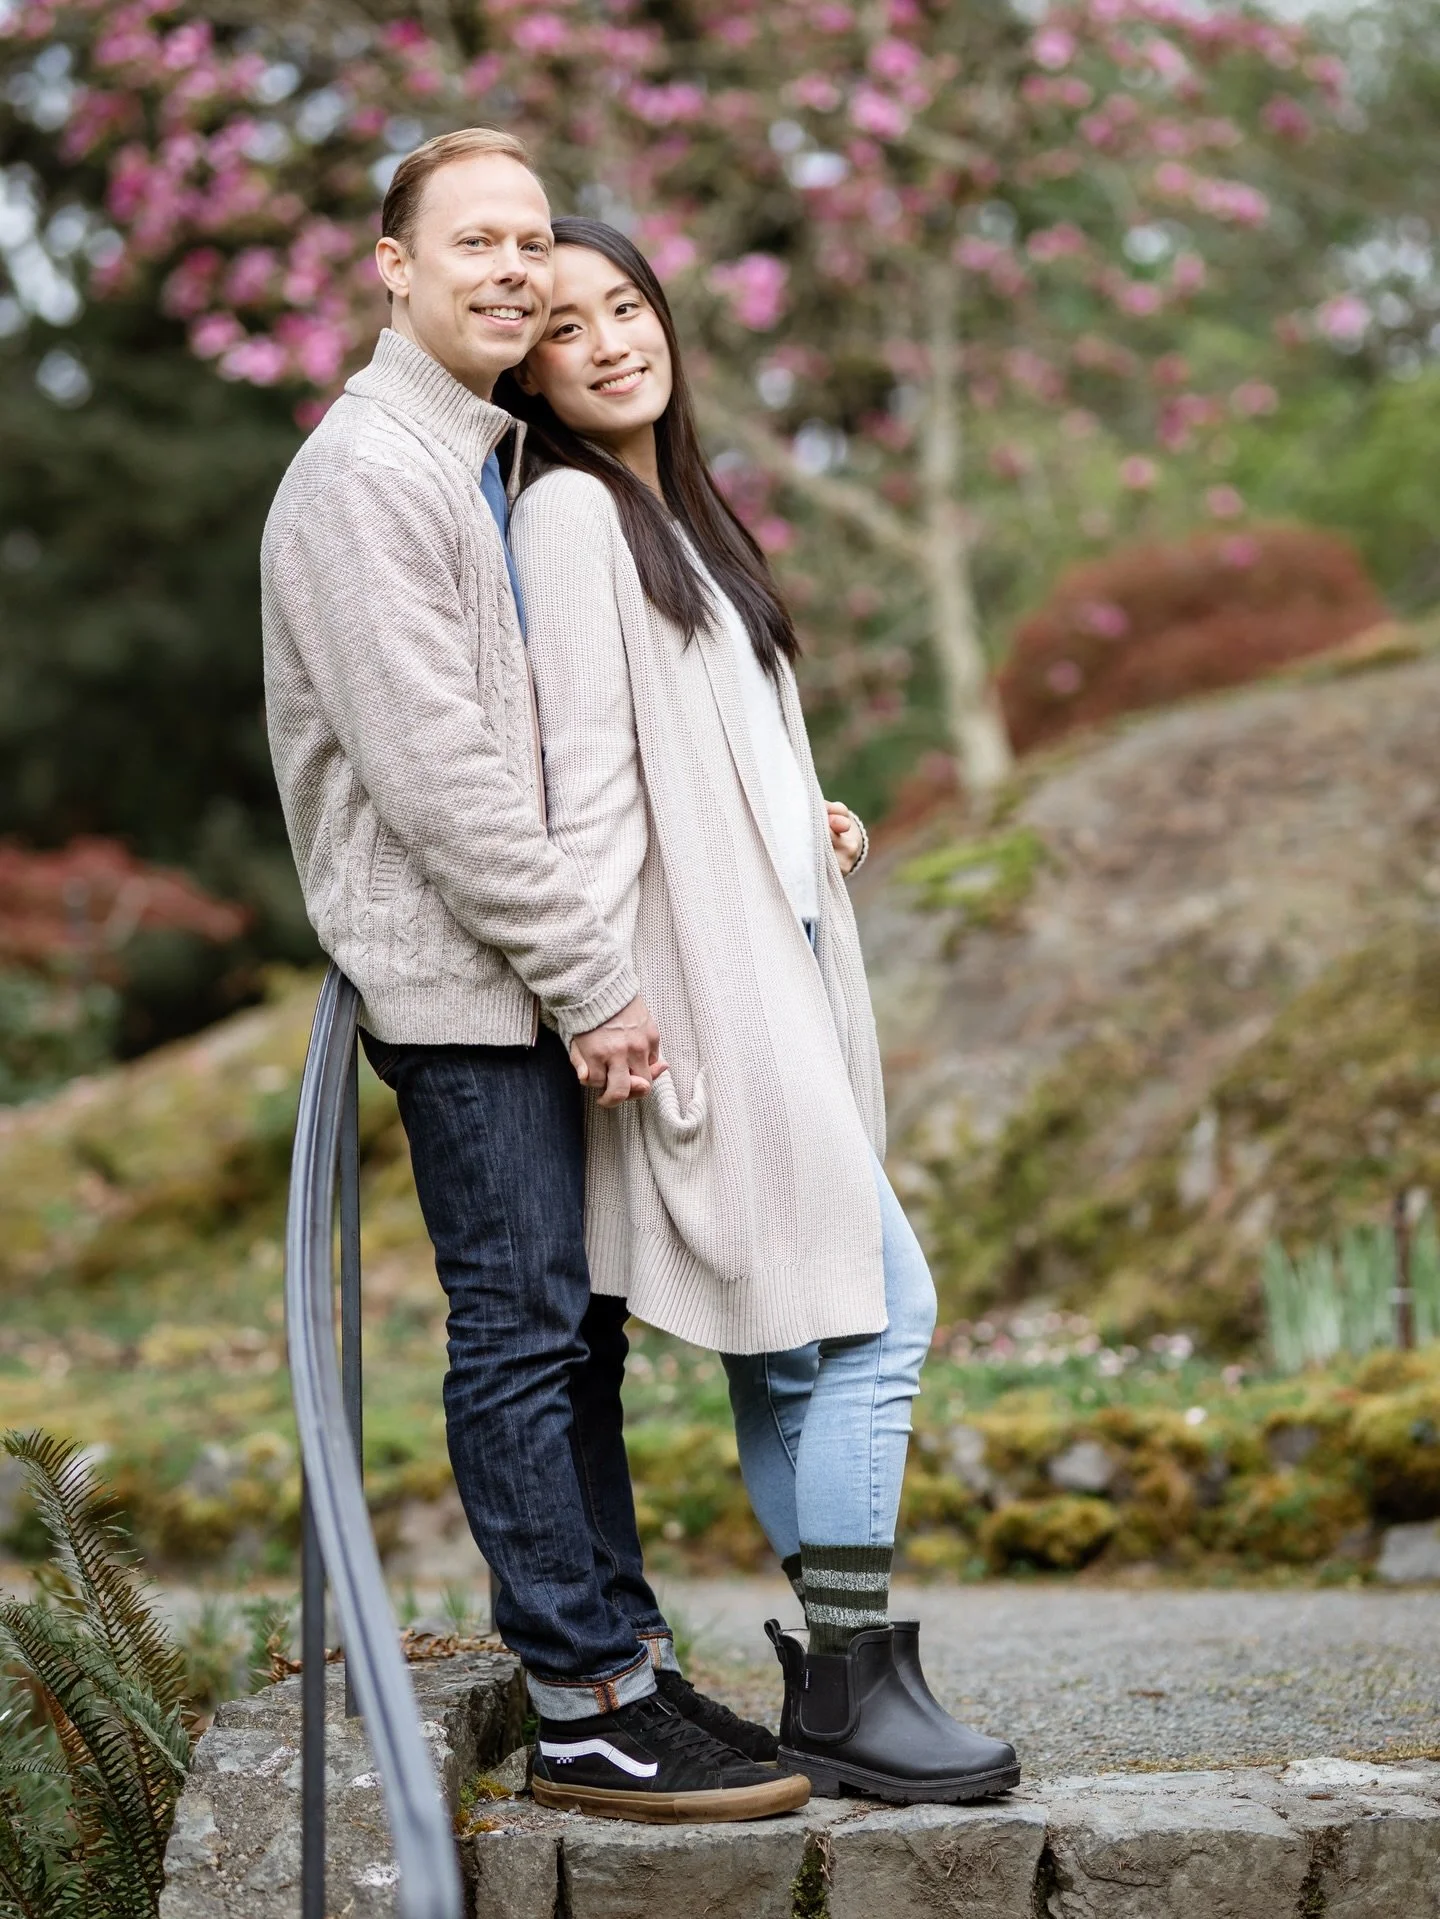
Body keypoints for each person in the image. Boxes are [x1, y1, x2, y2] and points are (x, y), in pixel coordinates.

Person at [260, 128, 809, 1825]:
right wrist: (591, 974)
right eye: (475, 242)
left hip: (531, 984)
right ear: (392, 265)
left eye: (526, 242)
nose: (510, 268)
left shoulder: (480, 458)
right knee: (522, 1335)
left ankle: (621, 1667)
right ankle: (583, 1710)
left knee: (579, 1341)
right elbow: (447, 782)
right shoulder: (368, 479)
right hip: (469, 989)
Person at [502, 219, 1021, 1806]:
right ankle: (854, 1681)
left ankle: (846, 1689)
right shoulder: (576, 514)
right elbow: (587, 788)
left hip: (775, 967)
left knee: (793, 1354)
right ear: (524, 370)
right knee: (881, 1311)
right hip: (706, 1007)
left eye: (627, 305)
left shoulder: (681, 514)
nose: (607, 340)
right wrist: (604, 994)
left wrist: (808, 814)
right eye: (564, 326)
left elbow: (707, 748)